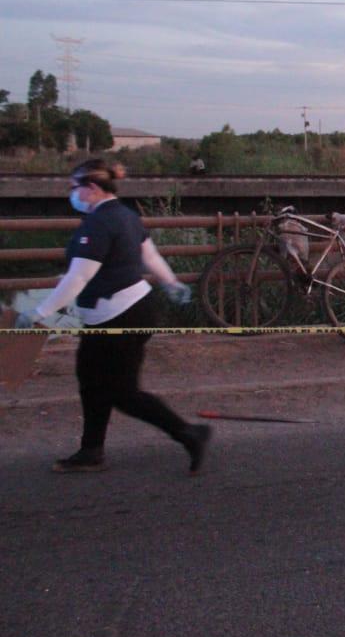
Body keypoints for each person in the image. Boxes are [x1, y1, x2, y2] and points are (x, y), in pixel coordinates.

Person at [16, 159, 213, 475]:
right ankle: (91, 450)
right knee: (91, 380)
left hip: (122, 317)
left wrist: (38, 312)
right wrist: (171, 282)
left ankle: (190, 434)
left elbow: (78, 278)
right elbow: (150, 255)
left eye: (75, 187)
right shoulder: (125, 215)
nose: (73, 193)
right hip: (120, 315)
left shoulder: (99, 224)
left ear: (92, 188)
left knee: (123, 392)